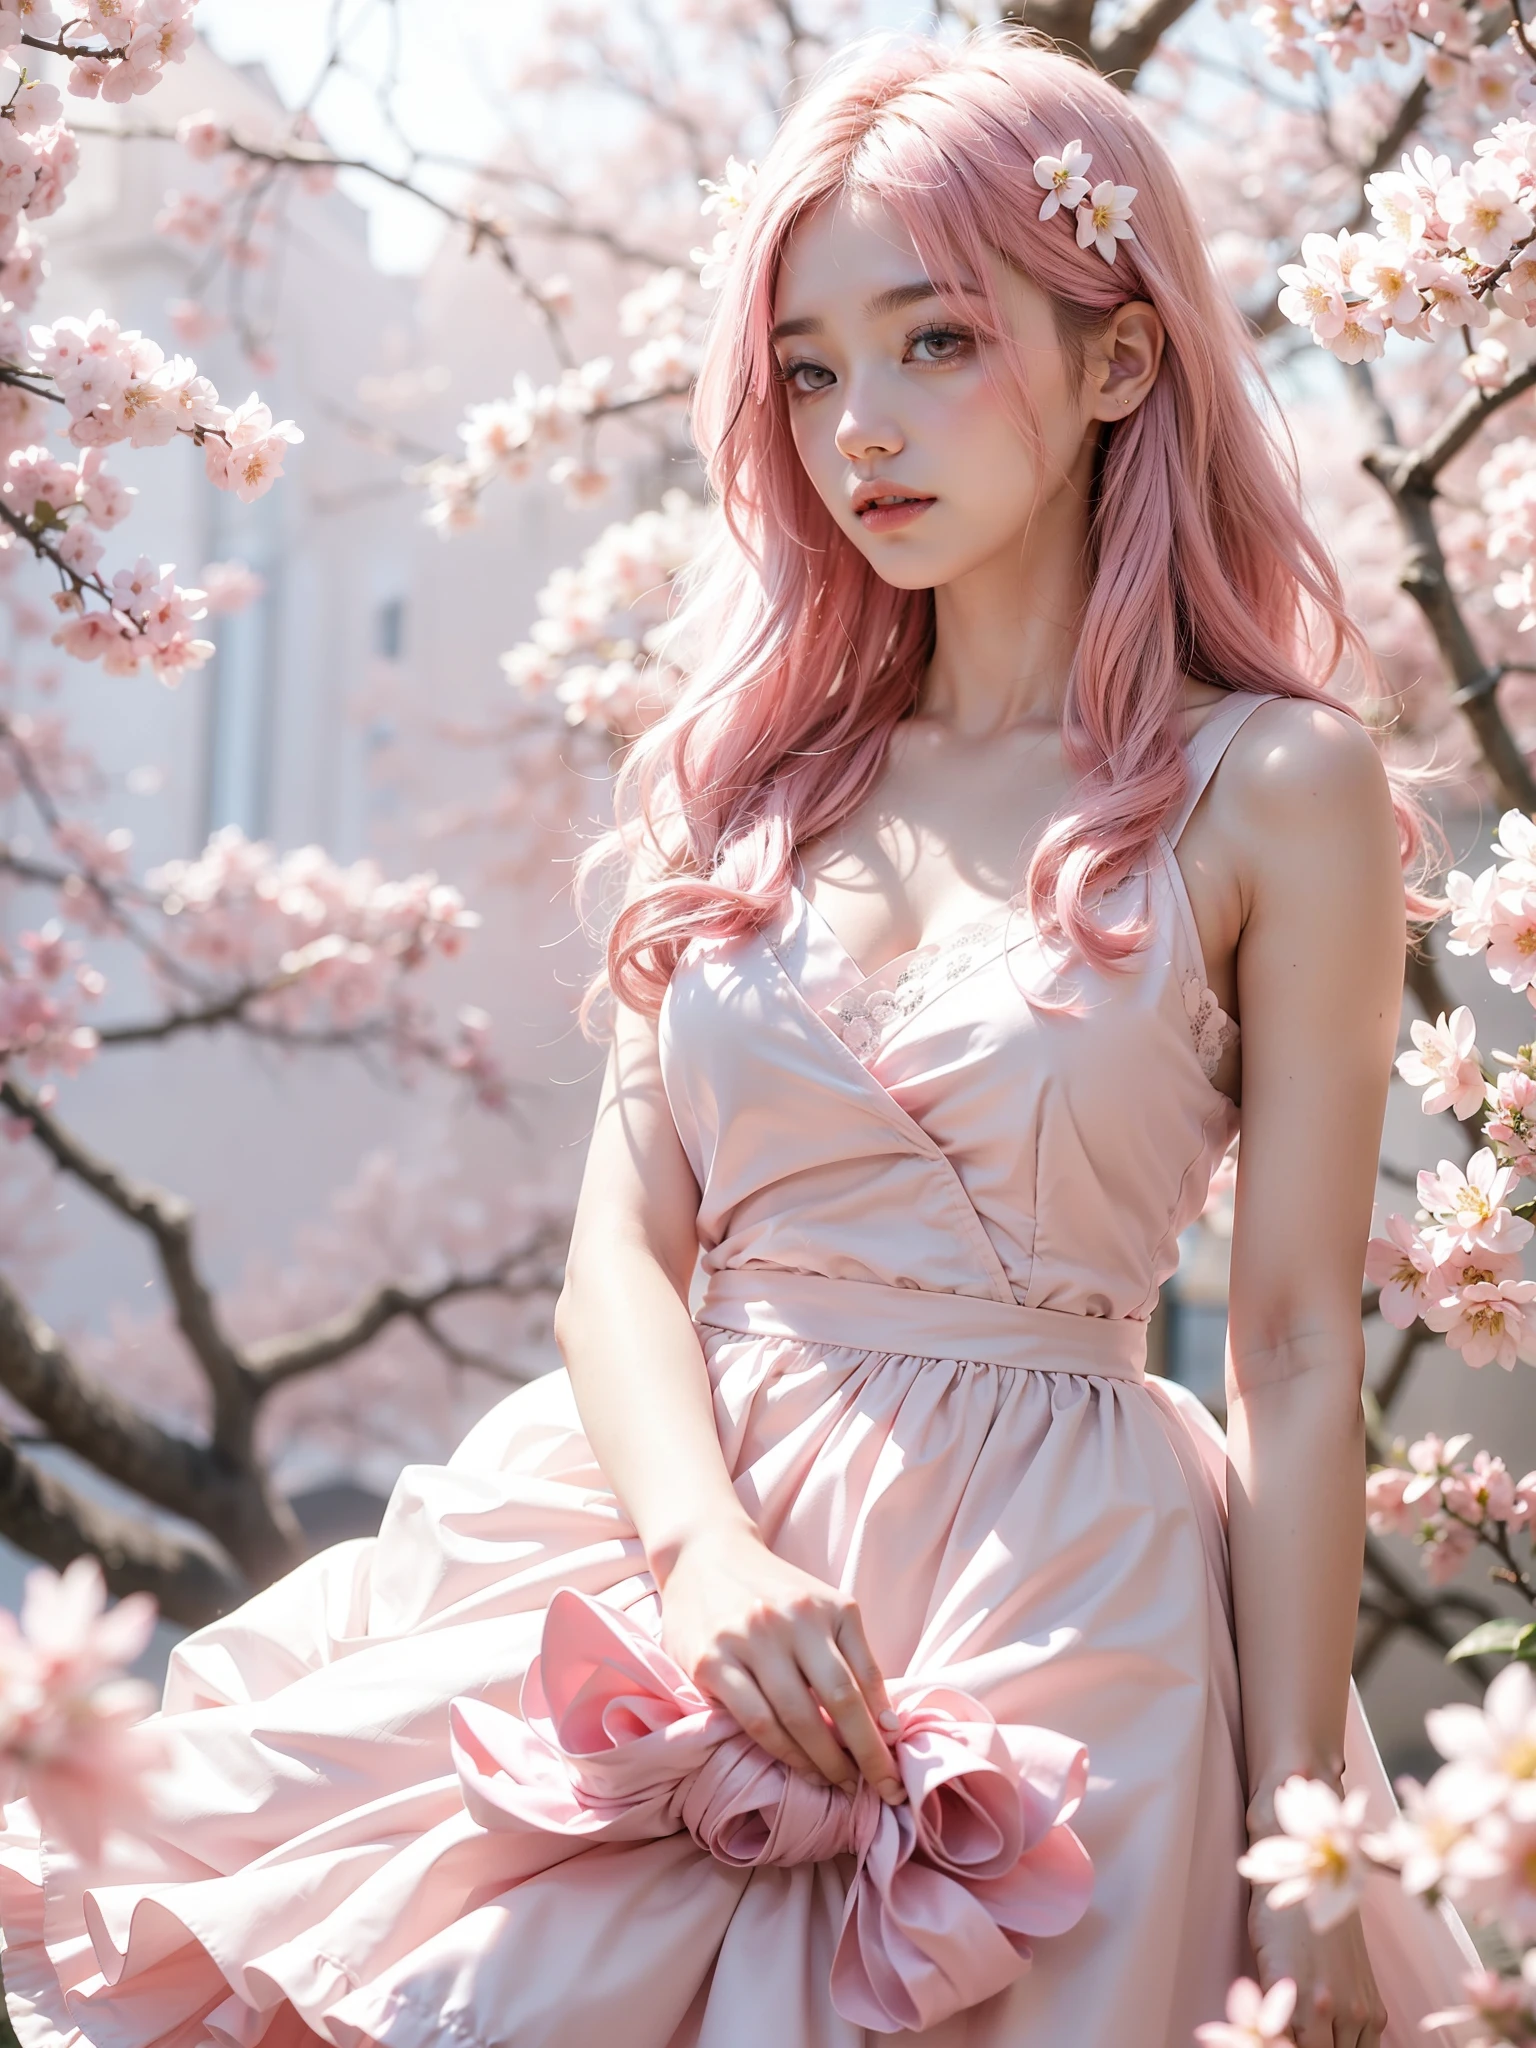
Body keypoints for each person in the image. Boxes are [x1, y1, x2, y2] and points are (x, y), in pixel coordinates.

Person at [0, 29, 1479, 2048]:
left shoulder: (1272, 787)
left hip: (1059, 1583)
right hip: (660, 1530)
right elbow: (622, 1247)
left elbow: (1301, 1337)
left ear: (1122, 361)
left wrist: (1308, 1831)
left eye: (933, 341)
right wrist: (699, 1554)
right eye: (806, 365)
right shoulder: (749, 778)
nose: (857, 425)